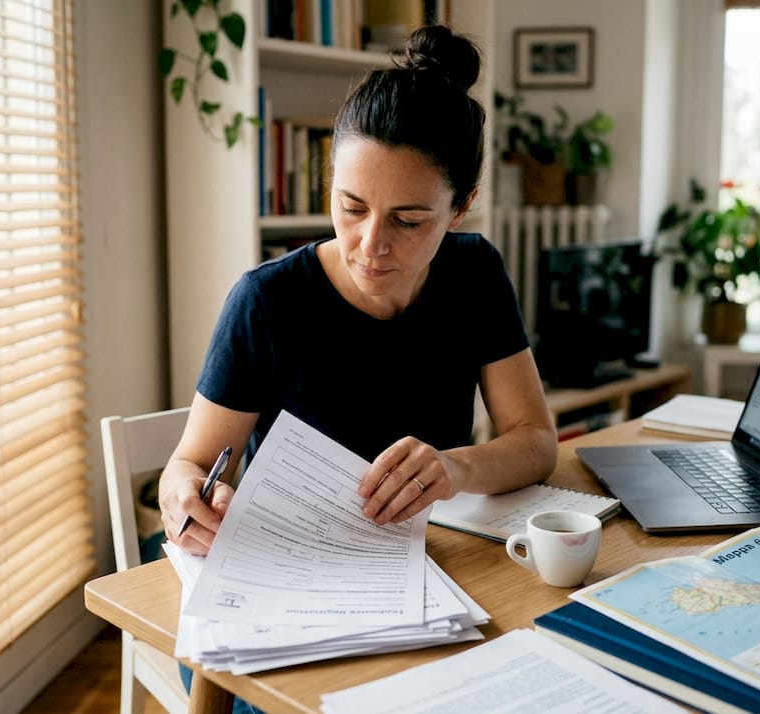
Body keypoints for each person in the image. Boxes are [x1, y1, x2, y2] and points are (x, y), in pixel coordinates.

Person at [161, 23, 558, 708]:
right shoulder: (267, 303)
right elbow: (188, 467)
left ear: (459, 208)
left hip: (429, 580)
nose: (370, 246)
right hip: (286, 603)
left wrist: (456, 466)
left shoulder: (474, 272)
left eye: (409, 221)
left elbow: (536, 442)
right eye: (351, 208)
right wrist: (187, 499)